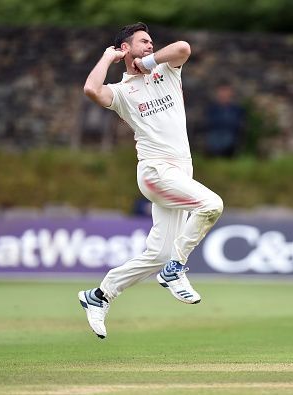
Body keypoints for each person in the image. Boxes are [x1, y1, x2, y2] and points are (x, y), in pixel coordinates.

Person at [78, 22, 224, 339]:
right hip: (156, 172)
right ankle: (176, 269)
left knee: (157, 254)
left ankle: (99, 296)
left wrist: (148, 61)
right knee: (212, 205)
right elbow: (91, 90)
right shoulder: (121, 92)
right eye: (143, 42)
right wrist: (107, 58)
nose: (150, 44)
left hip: (181, 170)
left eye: (151, 41)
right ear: (125, 48)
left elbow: (184, 47)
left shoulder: (166, 71)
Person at [204, 82, 245, 157]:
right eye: (222, 92)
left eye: (226, 92)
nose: (223, 95)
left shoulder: (236, 109)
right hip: (215, 133)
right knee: (214, 139)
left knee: (227, 139)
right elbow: (210, 122)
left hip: (230, 134)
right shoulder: (213, 108)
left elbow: (237, 123)